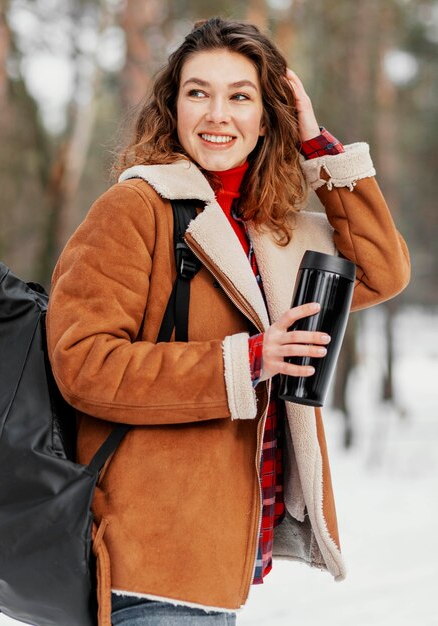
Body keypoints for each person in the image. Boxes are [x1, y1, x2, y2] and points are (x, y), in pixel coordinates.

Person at [47, 17, 410, 626]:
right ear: (173, 105)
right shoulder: (135, 209)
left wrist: (317, 143)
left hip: (221, 560)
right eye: (198, 93)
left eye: (240, 96)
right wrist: (245, 361)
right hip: (149, 555)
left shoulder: (269, 229)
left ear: (269, 116)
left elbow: (381, 270)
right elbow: (82, 364)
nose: (217, 114)